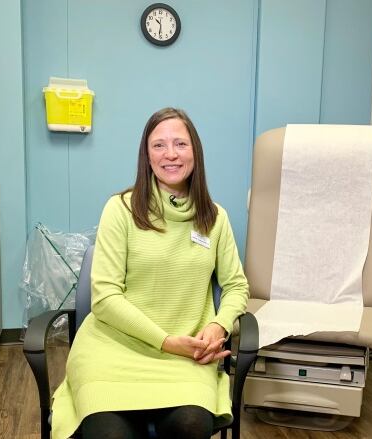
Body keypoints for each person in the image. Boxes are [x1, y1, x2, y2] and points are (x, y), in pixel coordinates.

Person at [50, 108, 250, 439]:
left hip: (186, 358)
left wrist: (218, 325)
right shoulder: (121, 209)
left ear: (195, 152)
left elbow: (236, 286)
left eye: (180, 144)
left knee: (190, 426)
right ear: (147, 156)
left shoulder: (216, 219)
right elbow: (105, 298)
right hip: (113, 349)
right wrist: (168, 342)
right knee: (109, 434)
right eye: (159, 145)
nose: (170, 154)